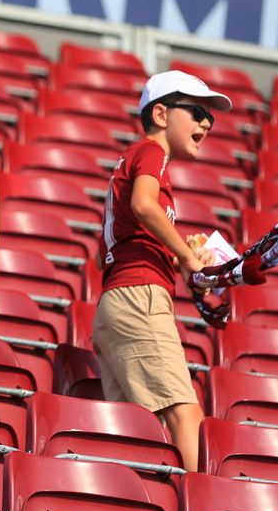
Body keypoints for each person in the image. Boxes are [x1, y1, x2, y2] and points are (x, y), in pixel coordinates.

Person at [92, 70, 232, 472]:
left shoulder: (140, 160)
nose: (206, 122)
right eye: (196, 111)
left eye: (211, 117)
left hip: (120, 299)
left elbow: (123, 243)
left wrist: (184, 265)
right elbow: (143, 206)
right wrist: (185, 259)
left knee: (138, 435)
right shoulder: (151, 153)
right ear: (160, 114)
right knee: (185, 414)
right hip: (139, 298)